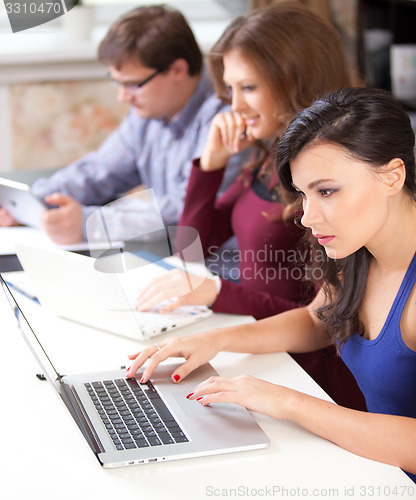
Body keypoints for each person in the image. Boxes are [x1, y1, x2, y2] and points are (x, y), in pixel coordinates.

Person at [127, 87, 416, 481]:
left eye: (327, 191)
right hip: (374, 472)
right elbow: (318, 321)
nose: (307, 217)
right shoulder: (360, 252)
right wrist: (217, 339)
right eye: (303, 194)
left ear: (392, 175)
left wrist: (285, 401)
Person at [134, 2, 365, 409]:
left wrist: (221, 293)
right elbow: (194, 250)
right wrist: (211, 164)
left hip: (306, 374)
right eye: (230, 90)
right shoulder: (269, 156)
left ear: (295, 80)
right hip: (262, 348)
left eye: (249, 87)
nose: (234, 106)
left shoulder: (329, 182)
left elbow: (321, 319)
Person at [0, 5, 245, 244]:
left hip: (217, 264)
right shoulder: (147, 114)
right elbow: (97, 172)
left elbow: (184, 210)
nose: (123, 97)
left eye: (132, 84)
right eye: (118, 83)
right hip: (173, 257)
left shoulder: (228, 119)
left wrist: (88, 224)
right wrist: (32, 203)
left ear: (178, 69)